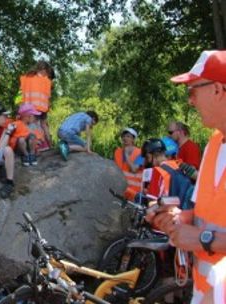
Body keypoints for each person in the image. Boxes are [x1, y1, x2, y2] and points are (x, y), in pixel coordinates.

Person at [146, 50, 226, 303]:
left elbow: (207, 234)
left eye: (193, 91)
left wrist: (204, 239)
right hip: (206, 293)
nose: (190, 101)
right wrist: (178, 219)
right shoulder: (214, 144)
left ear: (217, 90)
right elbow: (205, 214)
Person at [19, 60, 55, 151]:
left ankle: (37, 146)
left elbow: (21, 93)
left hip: (30, 107)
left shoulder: (26, 78)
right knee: (43, 125)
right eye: (47, 72)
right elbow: (48, 96)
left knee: (33, 126)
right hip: (43, 107)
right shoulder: (46, 81)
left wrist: (21, 107)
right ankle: (48, 145)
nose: (47, 75)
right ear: (43, 70)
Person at [113, 128, 142, 201]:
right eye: (123, 136)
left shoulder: (141, 153)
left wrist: (126, 154)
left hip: (135, 193)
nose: (125, 138)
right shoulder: (117, 152)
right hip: (120, 190)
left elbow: (134, 169)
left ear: (133, 139)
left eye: (128, 136)